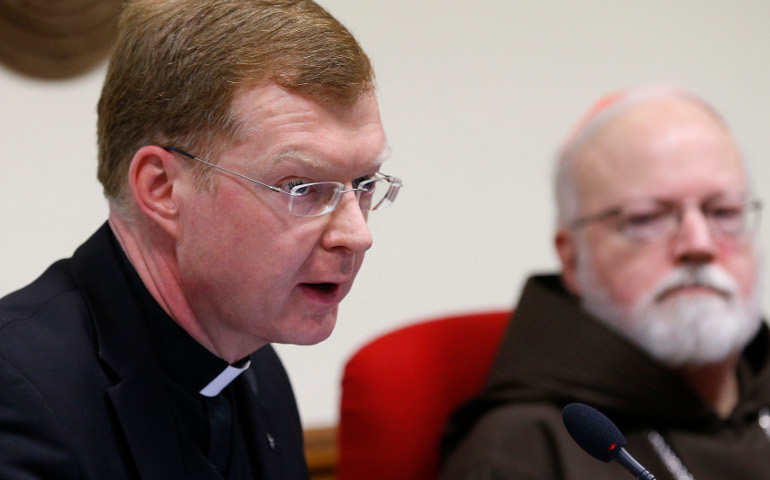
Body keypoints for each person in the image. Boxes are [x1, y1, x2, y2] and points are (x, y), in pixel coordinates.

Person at [0, 0, 401, 478]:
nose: (358, 235)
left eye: (364, 184)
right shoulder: (18, 391)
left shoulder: (257, 367)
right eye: (301, 188)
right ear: (162, 189)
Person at [440, 85, 770, 480]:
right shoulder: (522, 452)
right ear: (572, 257)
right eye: (646, 218)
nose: (699, 243)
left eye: (724, 211)